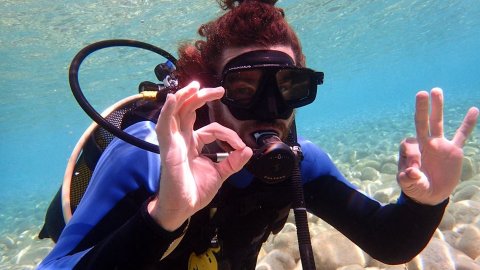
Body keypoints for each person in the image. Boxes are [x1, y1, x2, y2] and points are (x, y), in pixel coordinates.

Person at [39, 0, 479, 269]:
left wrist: (426, 201)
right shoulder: (146, 157)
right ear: (210, 94)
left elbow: (389, 241)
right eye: (243, 90)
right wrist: (162, 216)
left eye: (288, 89)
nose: (268, 111)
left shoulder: (300, 165)